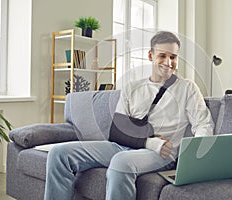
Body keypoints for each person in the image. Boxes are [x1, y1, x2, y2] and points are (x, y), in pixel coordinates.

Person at [44, 31, 214, 200]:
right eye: (162, 55)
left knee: (121, 163)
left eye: (173, 57)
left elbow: (203, 125)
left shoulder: (187, 88)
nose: (168, 62)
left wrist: (193, 160)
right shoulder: (132, 87)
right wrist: (150, 141)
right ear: (150, 55)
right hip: (123, 146)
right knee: (59, 153)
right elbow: (118, 129)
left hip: (163, 154)